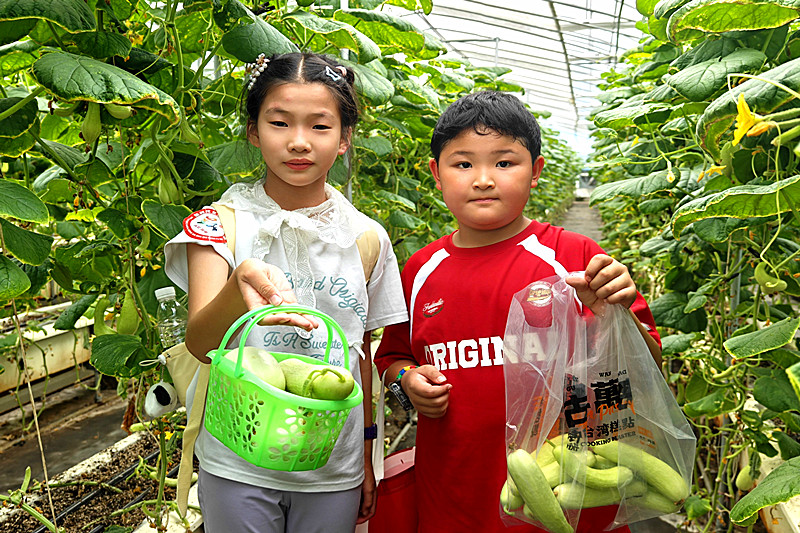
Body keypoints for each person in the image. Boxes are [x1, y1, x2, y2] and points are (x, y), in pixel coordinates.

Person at [373, 90, 662, 533]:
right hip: (453, 496)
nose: (484, 179)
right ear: (436, 173)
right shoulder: (420, 270)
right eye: (463, 163)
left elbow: (648, 371)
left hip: (568, 498)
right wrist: (406, 384)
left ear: (536, 172)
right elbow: (392, 360)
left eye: (505, 163)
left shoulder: (574, 258)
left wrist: (615, 313)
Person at [163, 52, 407, 533]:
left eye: (320, 126)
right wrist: (240, 284)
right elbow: (200, 343)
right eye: (279, 122)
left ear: (344, 139)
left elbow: (359, 356)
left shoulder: (367, 237)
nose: (298, 142)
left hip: (333, 463)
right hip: (238, 457)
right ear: (254, 130)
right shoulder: (219, 226)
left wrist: (366, 454)